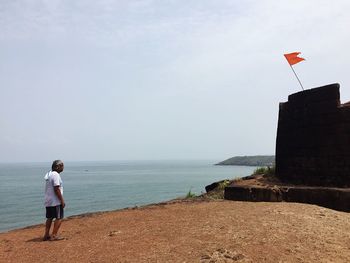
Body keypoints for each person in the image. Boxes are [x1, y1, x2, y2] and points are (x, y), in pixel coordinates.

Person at [43, 160, 65, 241]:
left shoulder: (49, 174)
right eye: (62, 165)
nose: (63, 167)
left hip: (48, 200)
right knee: (59, 218)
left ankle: (46, 235)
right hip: (55, 201)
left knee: (50, 217)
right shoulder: (55, 175)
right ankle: (54, 235)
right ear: (57, 166)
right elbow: (56, 189)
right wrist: (62, 200)